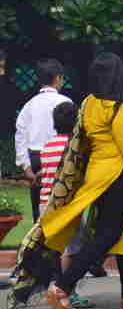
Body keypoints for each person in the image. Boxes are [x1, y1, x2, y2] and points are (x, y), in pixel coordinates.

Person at [9, 52, 123, 309]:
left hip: (97, 175)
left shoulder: (88, 103)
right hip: (116, 177)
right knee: (109, 234)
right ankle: (63, 286)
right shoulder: (117, 110)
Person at [35, 102, 93, 308]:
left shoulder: (47, 146)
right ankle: (67, 290)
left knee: (55, 248)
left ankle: (51, 285)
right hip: (65, 204)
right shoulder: (72, 146)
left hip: (45, 203)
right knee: (72, 248)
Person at [14, 58, 72, 222]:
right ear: (58, 78)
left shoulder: (29, 105)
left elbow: (20, 135)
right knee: (64, 204)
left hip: (36, 158)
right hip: (61, 156)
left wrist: (25, 166)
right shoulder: (66, 102)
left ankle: (38, 243)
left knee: (38, 206)